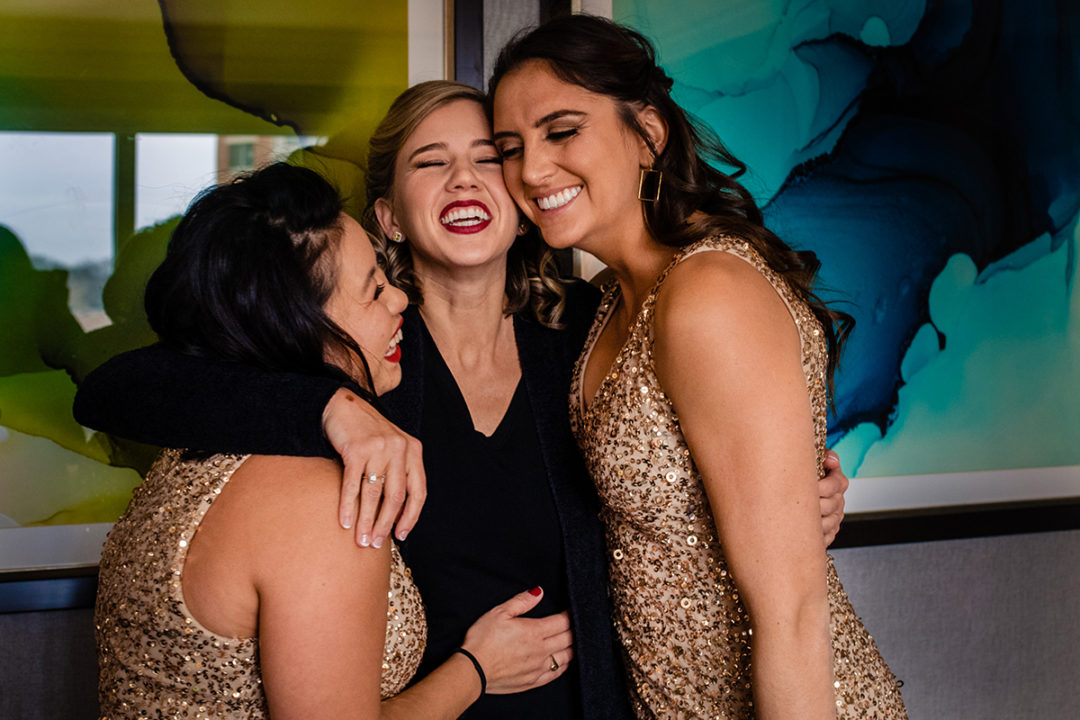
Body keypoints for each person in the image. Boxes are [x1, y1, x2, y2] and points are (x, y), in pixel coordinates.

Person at [75, 83, 850, 718]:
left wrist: (786, 498)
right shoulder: (357, 355)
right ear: (387, 216)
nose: (465, 180)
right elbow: (122, 388)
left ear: (522, 203)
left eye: (490, 159)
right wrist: (325, 410)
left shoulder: (592, 331)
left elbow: (709, 445)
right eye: (430, 162)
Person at [484, 14, 907, 720]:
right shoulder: (607, 305)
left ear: (648, 134)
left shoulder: (706, 294)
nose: (530, 169)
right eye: (510, 147)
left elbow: (793, 611)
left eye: (562, 131)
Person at [92, 162, 573, 719]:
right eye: (373, 291)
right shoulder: (320, 503)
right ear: (299, 327)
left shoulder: (190, 454)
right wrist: (477, 669)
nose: (399, 302)